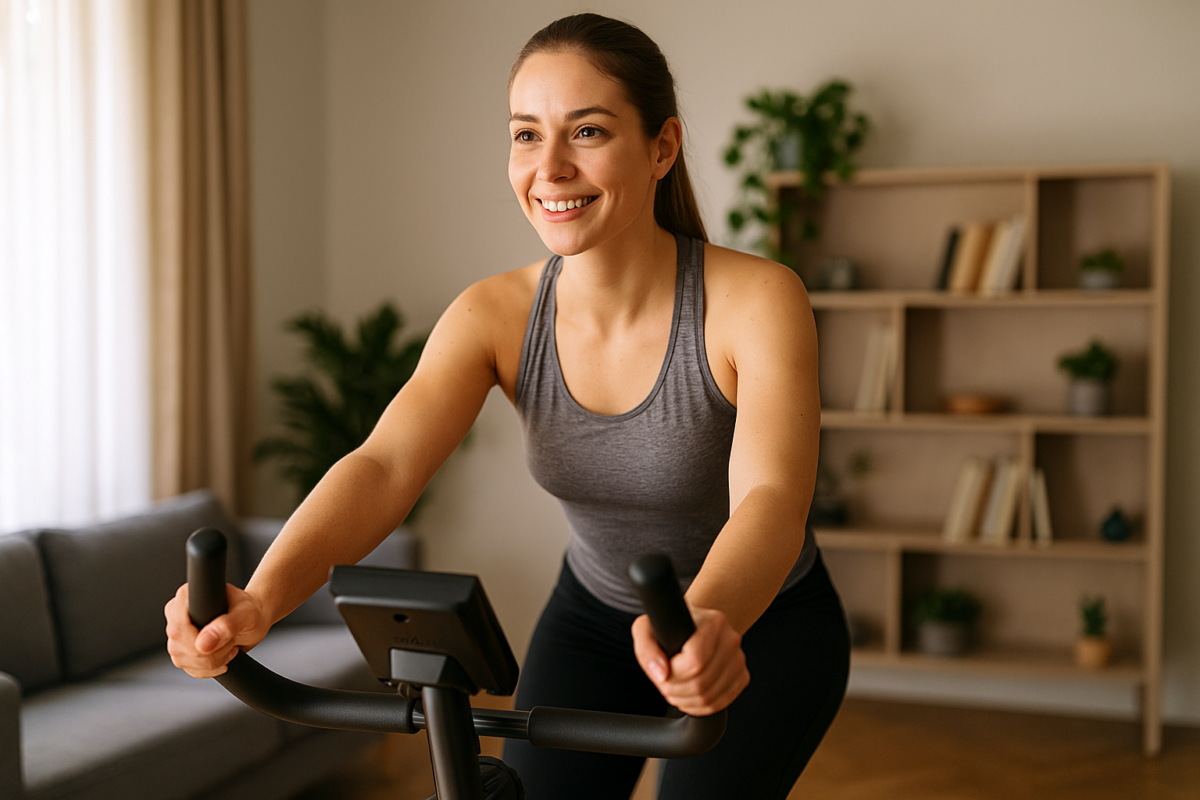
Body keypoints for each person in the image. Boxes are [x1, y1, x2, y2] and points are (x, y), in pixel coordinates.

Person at [165, 12, 849, 800]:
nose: (549, 168)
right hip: (592, 620)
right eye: (526, 134)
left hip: (761, 627)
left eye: (586, 132)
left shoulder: (755, 299)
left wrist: (705, 619)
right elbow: (385, 465)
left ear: (663, 146)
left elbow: (769, 500)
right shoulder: (493, 314)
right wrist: (259, 598)